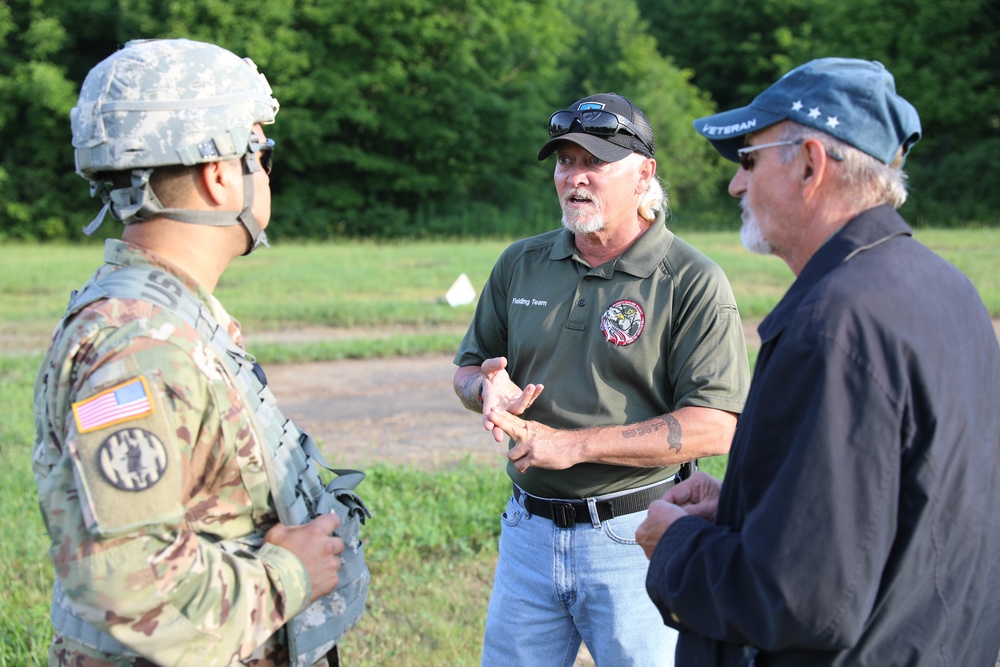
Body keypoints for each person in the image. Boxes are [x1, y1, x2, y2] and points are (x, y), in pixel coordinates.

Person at [636, 57, 1000, 666]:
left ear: (809, 163)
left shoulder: (835, 325)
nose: (735, 184)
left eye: (748, 160)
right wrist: (750, 504)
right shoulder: (946, 289)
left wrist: (675, 546)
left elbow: (797, 596)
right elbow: (900, 509)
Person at [32, 38, 369, 667]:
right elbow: (127, 587)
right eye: (260, 154)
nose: (264, 173)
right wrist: (290, 575)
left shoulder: (168, 317)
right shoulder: (138, 349)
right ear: (220, 174)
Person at [452, 92, 751, 666]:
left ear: (644, 175)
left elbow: (715, 427)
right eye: (565, 161)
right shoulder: (521, 263)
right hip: (527, 533)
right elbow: (468, 370)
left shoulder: (691, 281)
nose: (575, 178)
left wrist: (573, 446)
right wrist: (484, 388)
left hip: (636, 534)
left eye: (595, 162)